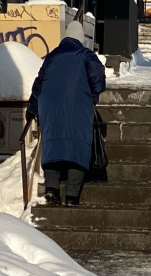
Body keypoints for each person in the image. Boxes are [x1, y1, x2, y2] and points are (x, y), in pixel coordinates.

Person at [26, 21, 106, 207]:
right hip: (77, 105)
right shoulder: (85, 54)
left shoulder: (52, 55)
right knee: (78, 146)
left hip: (50, 107)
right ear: (80, 39)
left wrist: (32, 109)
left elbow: (39, 83)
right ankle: (71, 196)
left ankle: (52, 191)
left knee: (53, 146)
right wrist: (93, 95)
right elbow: (98, 78)